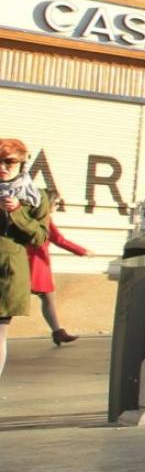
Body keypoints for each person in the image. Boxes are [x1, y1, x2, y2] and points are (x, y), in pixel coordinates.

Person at [0, 138, 48, 380]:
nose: (3, 167)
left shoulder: (35, 197)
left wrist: (17, 211)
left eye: (9, 162)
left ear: (22, 164)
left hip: (7, 271)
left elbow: (40, 237)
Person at [27, 193, 87, 346]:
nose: (56, 206)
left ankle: (58, 331)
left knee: (47, 298)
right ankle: (57, 331)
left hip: (35, 263)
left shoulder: (27, 216)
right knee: (45, 298)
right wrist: (82, 251)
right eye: (55, 203)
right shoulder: (44, 220)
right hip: (37, 264)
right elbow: (59, 239)